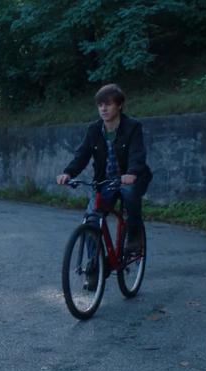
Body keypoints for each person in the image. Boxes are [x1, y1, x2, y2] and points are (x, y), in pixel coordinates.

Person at [56, 84, 152, 254]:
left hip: (132, 177)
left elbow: (137, 153)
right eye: (100, 105)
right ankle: (94, 268)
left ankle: (135, 235)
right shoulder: (94, 130)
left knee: (129, 192)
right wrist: (68, 172)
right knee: (91, 219)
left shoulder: (132, 126)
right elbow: (82, 155)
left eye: (108, 104)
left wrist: (131, 173)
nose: (103, 108)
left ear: (119, 105)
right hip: (106, 181)